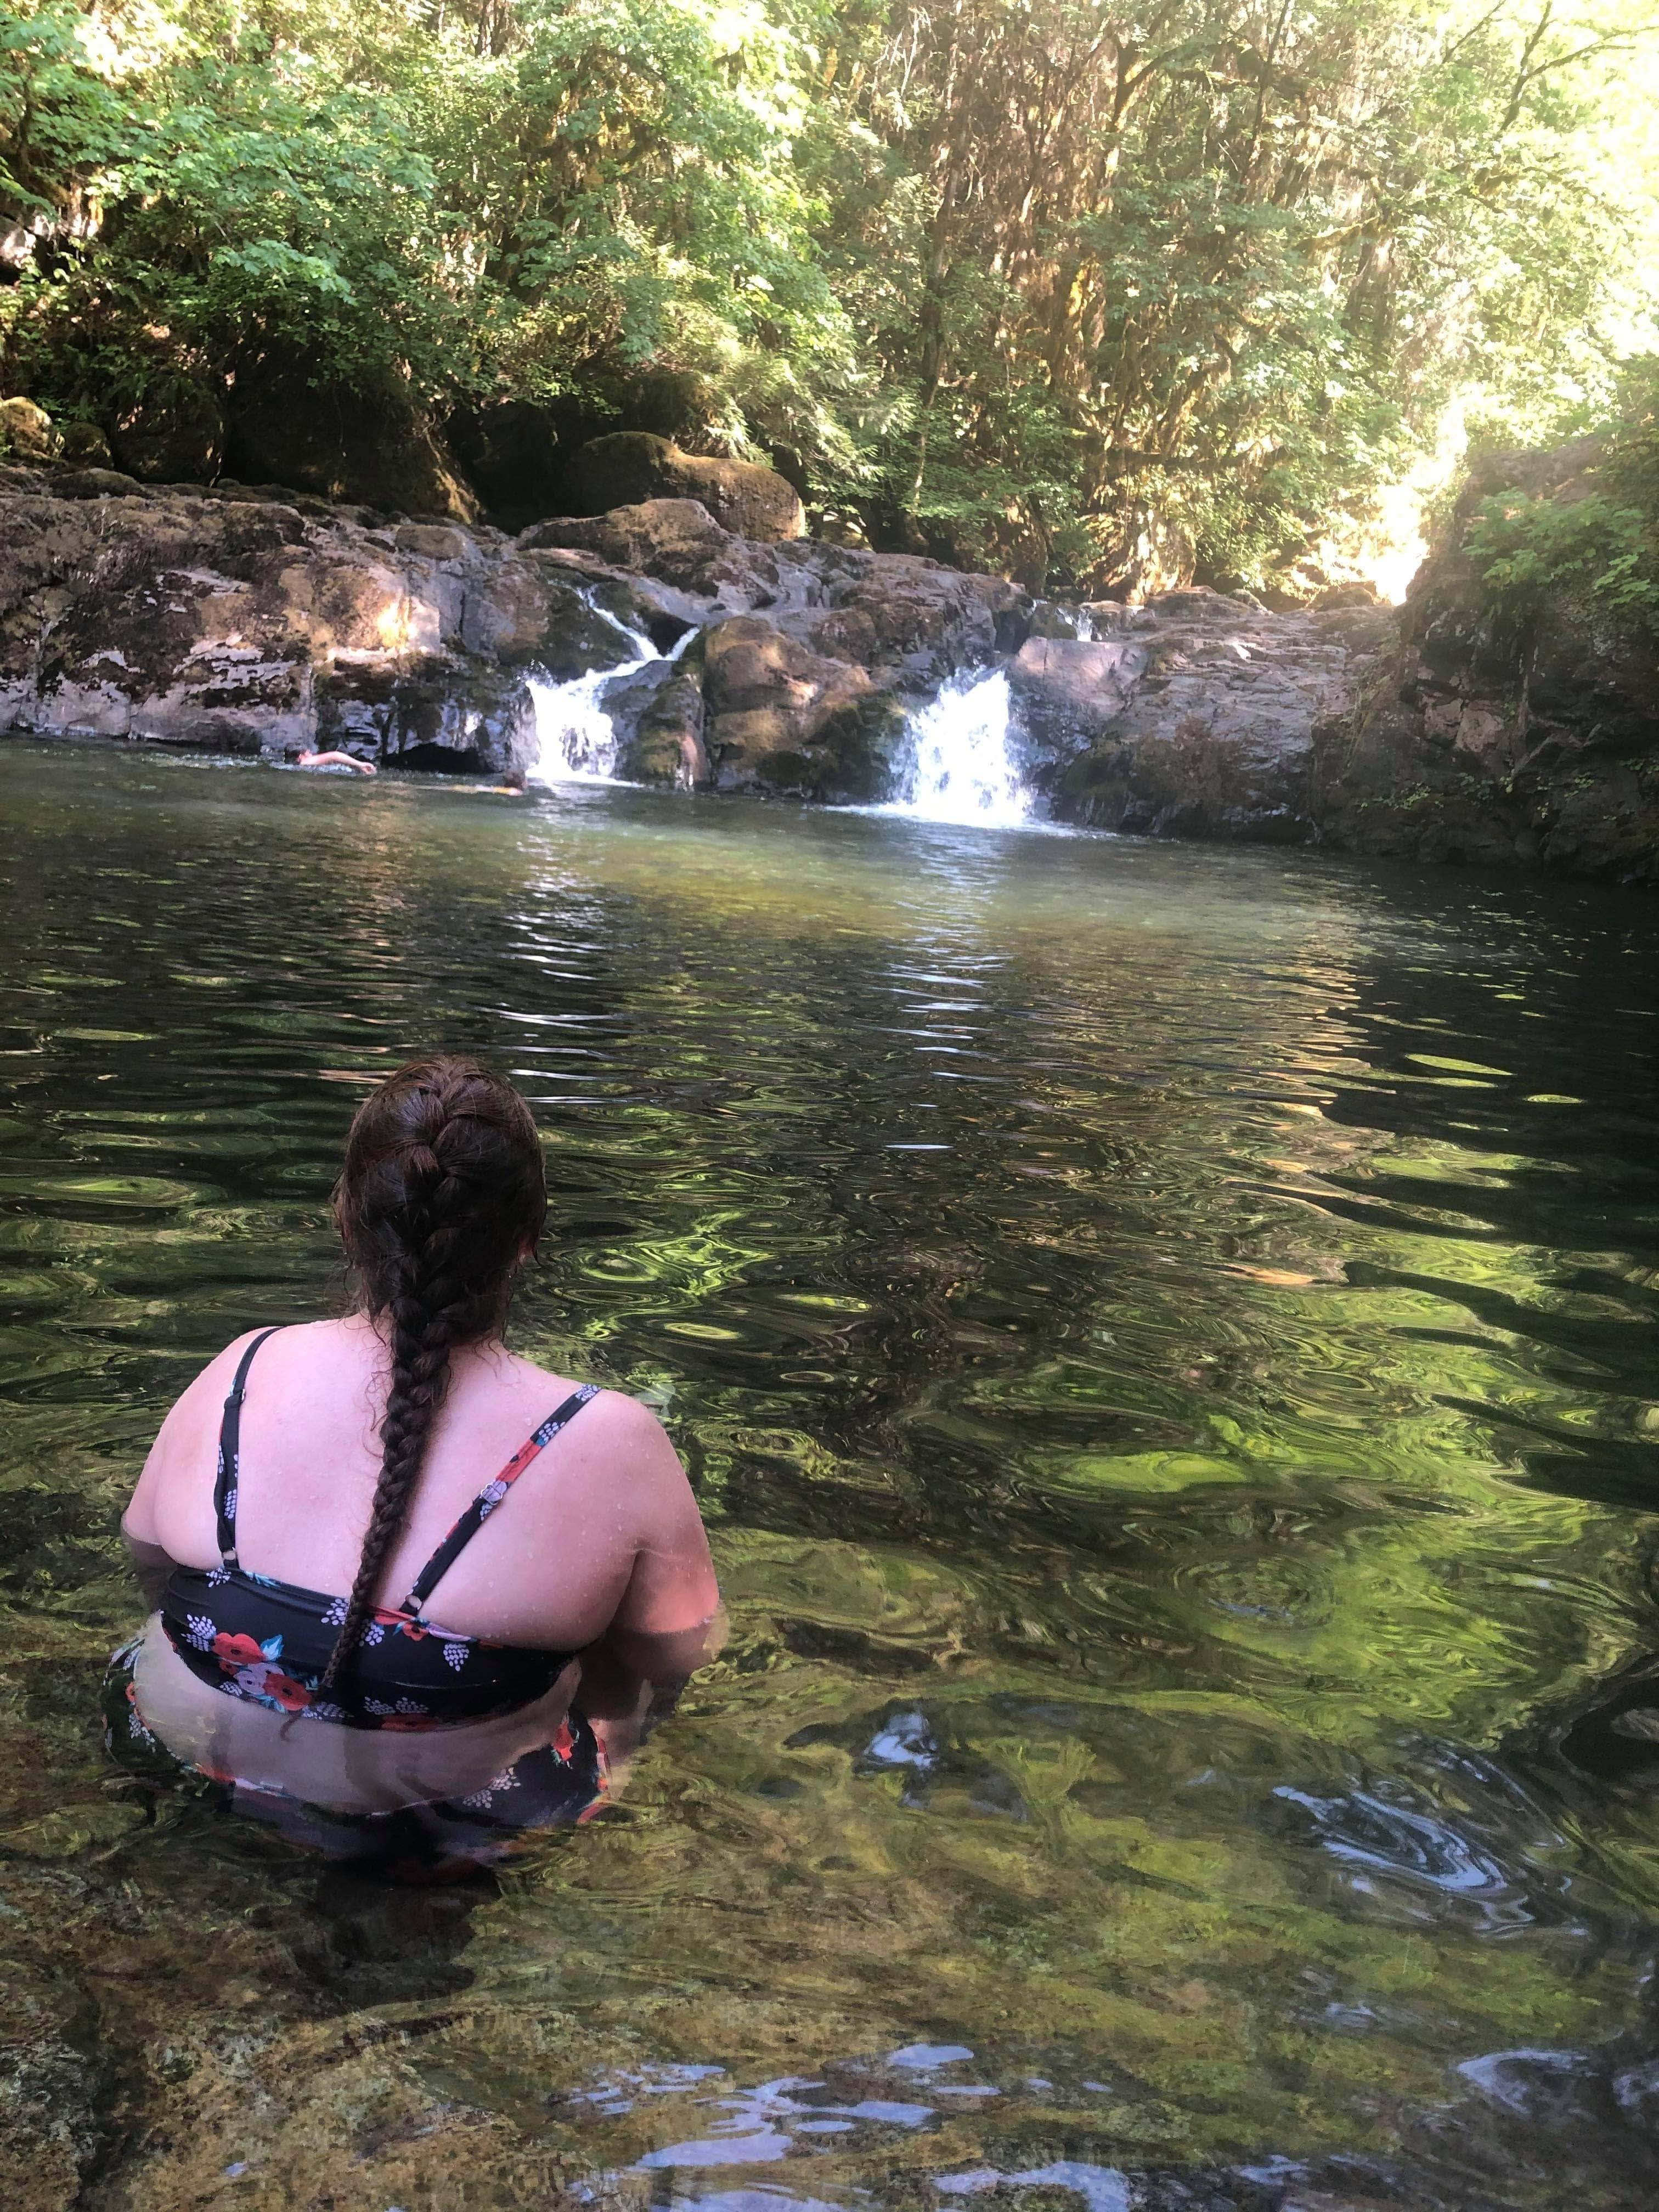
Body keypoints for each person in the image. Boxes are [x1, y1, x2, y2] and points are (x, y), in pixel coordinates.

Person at [109, 1055, 720, 1873]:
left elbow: (148, 1556)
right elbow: (678, 1654)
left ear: (347, 1219)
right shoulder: (609, 1436)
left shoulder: (245, 1366)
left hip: (174, 1747)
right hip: (445, 1818)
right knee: (613, 1685)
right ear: (528, 1244)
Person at [293, 747, 377, 775]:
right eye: (308, 753)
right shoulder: (306, 762)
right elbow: (334, 755)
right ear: (301, 756)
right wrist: (360, 765)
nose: (311, 754)